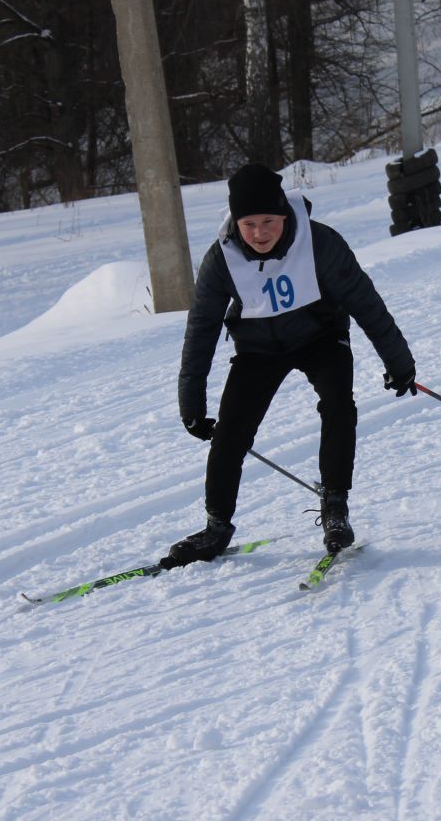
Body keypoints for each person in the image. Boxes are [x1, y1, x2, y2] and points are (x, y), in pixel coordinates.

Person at [168, 163, 415, 565]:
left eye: (269, 221)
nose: (260, 233)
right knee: (231, 430)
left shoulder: (320, 243)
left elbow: (365, 303)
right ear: (236, 222)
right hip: (257, 349)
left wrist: (399, 362)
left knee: (338, 404)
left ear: (285, 214)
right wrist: (192, 404)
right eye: (249, 224)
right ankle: (216, 527)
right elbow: (201, 330)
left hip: (319, 336)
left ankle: (335, 507)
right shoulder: (222, 259)